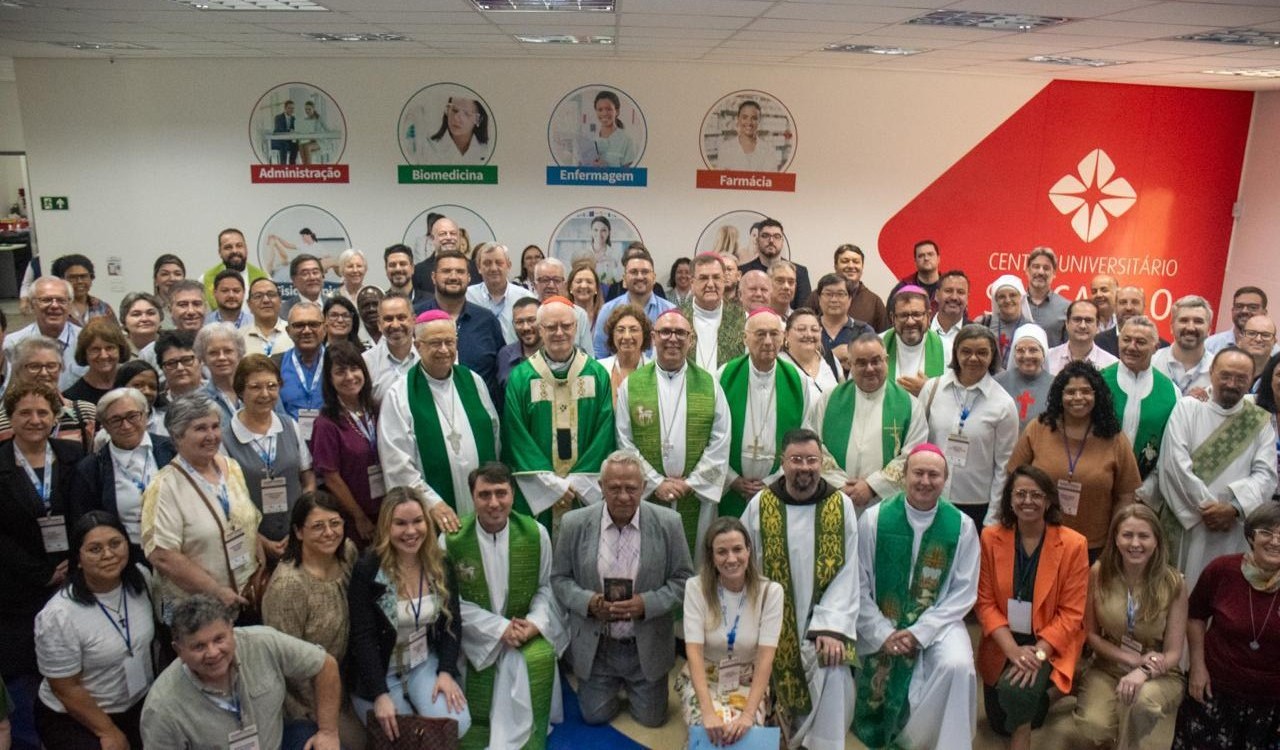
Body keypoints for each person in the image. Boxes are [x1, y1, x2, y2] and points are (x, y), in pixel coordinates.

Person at [550, 450, 694, 727]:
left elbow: (684, 579)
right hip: (598, 645)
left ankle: (634, 685)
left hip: (645, 646)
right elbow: (560, 579)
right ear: (601, 487)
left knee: (652, 720)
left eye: (631, 488)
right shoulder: (575, 523)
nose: (624, 496)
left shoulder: (668, 523)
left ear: (644, 487)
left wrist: (647, 604)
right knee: (594, 716)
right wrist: (590, 602)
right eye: (614, 488)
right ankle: (607, 683)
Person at [855, 444, 980, 750]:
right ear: (904, 476)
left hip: (939, 621)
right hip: (880, 622)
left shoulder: (962, 526)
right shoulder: (873, 519)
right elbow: (857, 585)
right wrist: (883, 632)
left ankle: (934, 742)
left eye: (934, 475)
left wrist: (919, 632)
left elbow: (964, 592)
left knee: (959, 666)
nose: (925, 481)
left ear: (945, 479)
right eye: (918, 473)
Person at [739, 430, 857, 750]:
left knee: (833, 669)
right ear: (782, 463)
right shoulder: (762, 504)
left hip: (823, 623)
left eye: (811, 460)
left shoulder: (840, 505)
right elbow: (744, 568)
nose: (804, 467)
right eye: (796, 460)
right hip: (771, 621)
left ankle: (821, 743)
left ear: (822, 463)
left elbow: (849, 573)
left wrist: (831, 627)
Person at [443, 463, 567, 749]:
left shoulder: (536, 533)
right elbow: (450, 601)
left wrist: (534, 623)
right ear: (472, 496)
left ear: (513, 494)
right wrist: (499, 629)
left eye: (501, 493)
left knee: (525, 662)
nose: (494, 503)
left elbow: (546, 587)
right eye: (484, 495)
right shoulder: (451, 541)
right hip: (476, 639)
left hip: (524, 630)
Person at [976, 467, 1089, 750]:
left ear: (1049, 500)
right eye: (1021, 494)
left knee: (1015, 695)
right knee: (998, 720)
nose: (1028, 501)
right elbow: (985, 602)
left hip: (1048, 640)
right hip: (1005, 638)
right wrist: (1013, 651)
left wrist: (1037, 654)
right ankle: (1056, 694)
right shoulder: (990, 537)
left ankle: (1022, 733)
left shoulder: (1074, 544)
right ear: (1010, 499)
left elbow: (1071, 613)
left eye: (1036, 495)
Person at [346, 487, 471, 741]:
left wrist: (446, 671)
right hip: (380, 671)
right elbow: (363, 637)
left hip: (422, 663)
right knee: (401, 739)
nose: (411, 531)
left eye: (417, 521)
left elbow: (452, 622)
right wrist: (379, 694)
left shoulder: (439, 563)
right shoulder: (368, 568)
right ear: (385, 527)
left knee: (455, 724)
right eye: (400, 523)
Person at [0, 381, 85, 750]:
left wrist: (74, 560)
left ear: (55, 417)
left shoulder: (73, 455)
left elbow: (87, 510)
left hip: (72, 579)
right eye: (25, 413)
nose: (35, 420)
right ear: (11, 417)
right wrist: (40, 572)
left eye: (42, 413)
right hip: (18, 589)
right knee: (25, 677)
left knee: (71, 668)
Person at [141, 594, 342, 750]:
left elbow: (325, 665)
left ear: (232, 630)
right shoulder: (161, 708)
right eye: (199, 647)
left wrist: (328, 731)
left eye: (219, 639)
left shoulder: (263, 642)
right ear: (178, 650)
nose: (213, 653)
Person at [1157, 346, 1278, 591]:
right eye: (1225, 375)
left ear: (1252, 379)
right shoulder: (1188, 407)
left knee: (1223, 594)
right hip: (1188, 523)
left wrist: (1232, 509)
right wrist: (1208, 509)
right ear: (1212, 372)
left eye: (1241, 378)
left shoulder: (1258, 420)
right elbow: (1173, 465)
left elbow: (1266, 474)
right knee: (1179, 591)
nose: (1232, 384)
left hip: (1232, 528)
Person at [32, 512, 154, 749]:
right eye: (95, 549)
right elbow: (65, 688)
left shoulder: (141, 580)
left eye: (115, 544)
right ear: (77, 558)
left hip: (136, 702)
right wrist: (108, 731)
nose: (108, 554)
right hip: (78, 717)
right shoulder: (59, 615)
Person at [615, 309, 730, 559]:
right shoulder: (632, 386)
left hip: (696, 497)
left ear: (691, 339)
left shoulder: (709, 384)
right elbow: (625, 442)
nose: (673, 338)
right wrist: (655, 482)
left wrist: (691, 483)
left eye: (680, 333)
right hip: (647, 498)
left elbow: (720, 441)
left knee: (695, 563)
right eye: (665, 332)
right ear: (654, 337)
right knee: (649, 563)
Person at [141, 392, 264, 622]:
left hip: (245, 596)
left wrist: (258, 564)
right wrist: (216, 591)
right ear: (177, 435)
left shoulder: (231, 467)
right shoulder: (164, 486)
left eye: (215, 427)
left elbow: (246, 520)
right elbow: (163, 555)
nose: (211, 436)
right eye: (200, 429)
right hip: (198, 611)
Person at [1074, 504, 1187, 750]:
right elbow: (1091, 635)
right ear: (1115, 539)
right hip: (1108, 665)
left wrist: (1143, 670)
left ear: (1157, 540)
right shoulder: (1099, 572)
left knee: (1139, 703)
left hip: (1159, 671)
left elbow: (1174, 653)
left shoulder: (1173, 582)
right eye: (1127, 535)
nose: (1135, 543)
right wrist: (1129, 659)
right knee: (1094, 726)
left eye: (1144, 536)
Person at [379, 311, 500, 537]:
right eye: (435, 343)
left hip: (482, 504)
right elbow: (397, 463)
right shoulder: (400, 393)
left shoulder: (473, 381)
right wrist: (432, 503)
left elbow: (495, 435)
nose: (444, 350)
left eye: (450, 342)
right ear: (418, 345)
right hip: (432, 512)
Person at [1173, 502, 1280, 749]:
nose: (1275, 541)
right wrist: (1197, 667)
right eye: (1266, 532)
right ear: (1251, 535)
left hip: (1270, 703)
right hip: (1214, 689)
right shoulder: (1222, 570)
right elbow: (1195, 616)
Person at [1008, 361, 1141, 559]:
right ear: (1059, 396)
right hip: (1039, 539)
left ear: (1097, 395)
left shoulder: (1114, 438)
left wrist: (1115, 543)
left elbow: (1126, 495)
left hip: (1094, 547)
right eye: (1070, 392)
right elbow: (1013, 476)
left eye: (1086, 391)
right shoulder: (1038, 428)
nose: (1078, 398)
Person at [503, 298, 615, 532]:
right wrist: (553, 488)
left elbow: (604, 433)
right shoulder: (522, 377)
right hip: (539, 495)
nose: (559, 333)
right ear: (539, 330)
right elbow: (517, 437)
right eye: (551, 327)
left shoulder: (596, 374)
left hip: (582, 493)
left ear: (576, 327)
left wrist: (573, 485)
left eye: (566, 325)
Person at [262, 492, 362, 748]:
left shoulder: (348, 553)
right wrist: (325, 710)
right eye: (318, 526)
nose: (329, 533)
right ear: (298, 532)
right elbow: (285, 663)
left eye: (335, 523)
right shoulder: (288, 586)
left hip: (348, 681)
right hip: (306, 698)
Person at [678, 517, 783, 745]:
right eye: (722, 552)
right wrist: (707, 711)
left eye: (737, 549)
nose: (731, 559)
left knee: (745, 733)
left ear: (749, 550)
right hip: (705, 676)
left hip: (749, 678)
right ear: (712, 557)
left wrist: (746, 716)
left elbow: (766, 658)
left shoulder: (770, 592)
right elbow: (694, 652)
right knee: (705, 731)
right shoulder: (696, 588)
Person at [813, 333, 927, 515]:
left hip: (884, 504)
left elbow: (913, 455)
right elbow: (814, 447)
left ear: (886, 360)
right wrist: (841, 485)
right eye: (861, 362)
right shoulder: (828, 400)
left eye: (876, 361)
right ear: (849, 364)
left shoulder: (910, 405)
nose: (870, 368)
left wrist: (872, 486)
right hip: (835, 499)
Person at [920, 324, 1020, 527]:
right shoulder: (933, 389)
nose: (973, 358)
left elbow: (1004, 466)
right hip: (930, 497)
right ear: (956, 353)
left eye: (982, 352)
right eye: (966, 351)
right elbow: (918, 443)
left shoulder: (1003, 404)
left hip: (976, 505)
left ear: (993, 355)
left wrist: (992, 517)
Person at [718, 309, 813, 518]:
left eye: (774, 334)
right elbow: (712, 434)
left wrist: (774, 481)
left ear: (784, 337)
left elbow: (805, 435)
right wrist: (732, 479)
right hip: (731, 489)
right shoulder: (725, 375)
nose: (768, 341)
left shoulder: (798, 380)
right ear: (745, 337)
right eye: (760, 334)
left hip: (779, 488)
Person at [222, 355, 315, 559]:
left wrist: (301, 527)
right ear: (240, 391)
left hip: (298, 535)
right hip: (252, 542)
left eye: (272, 386)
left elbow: (307, 479)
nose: (265, 394)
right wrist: (259, 541)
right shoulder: (225, 439)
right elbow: (225, 502)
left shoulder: (290, 425)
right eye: (255, 387)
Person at [70, 388, 176, 556]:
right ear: (104, 425)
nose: (126, 426)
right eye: (116, 420)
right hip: (130, 557)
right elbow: (87, 523)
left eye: (132, 416)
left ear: (145, 415)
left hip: (180, 547)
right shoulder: (91, 468)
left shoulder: (173, 450)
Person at [311, 341, 382, 547]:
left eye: (354, 368)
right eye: (340, 372)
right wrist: (359, 516)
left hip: (386, 508)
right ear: (330, 379)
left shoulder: (376, 409)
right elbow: (331, 477)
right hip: (355, 517)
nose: (350, 377)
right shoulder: (326, 423)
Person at [1100, 315, 1179, 499]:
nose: (1131, 347)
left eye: (1140, 342)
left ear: (1156, 347)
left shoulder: (1171, 392)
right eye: (1126, 340)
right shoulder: (1098, 382)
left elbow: (1169, 450)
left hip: (1145, 491)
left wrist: (1145, 490)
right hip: (1100, 485)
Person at [413, 250, 505, 403]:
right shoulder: (415, 318)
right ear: (433, 277)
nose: (454, 277)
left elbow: (499, 373)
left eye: (460, 272)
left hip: (480, 414)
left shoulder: (486, 320)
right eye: (446, 271)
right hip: (429, 411)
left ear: (468, 278)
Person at [0, 337, 97, 450]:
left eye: (51, 366)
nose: (44, 373)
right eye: (34, 366)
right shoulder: (3, 423)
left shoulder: (85, 413)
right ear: (18, 370)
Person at [5, 277, 85, 390]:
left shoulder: (85, 340)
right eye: (46, 300)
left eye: (61, 300)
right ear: (32, 304)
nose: (54, 306)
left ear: (70, 305)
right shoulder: (13, 343)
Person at [592, 252, 675, 358]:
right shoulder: (608, 310)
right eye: (634, 272)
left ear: (654, 278)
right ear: (624, 279)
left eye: (645, 272)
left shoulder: (670, 311)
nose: (640, 277)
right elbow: (600, 354)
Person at [678, 253, 746, 372]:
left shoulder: (742, 317)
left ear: (723, 280)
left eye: (716, 277)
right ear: (692, 283)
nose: (710, 284)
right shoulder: (678, 318)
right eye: (703, 278)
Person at [881, 285, 947, 396]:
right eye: (903, 315)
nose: (910, 322)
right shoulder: (876, 345)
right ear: (892, 318)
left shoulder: (947, 349)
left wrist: (928, 390)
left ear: (928, 316)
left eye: (916, 314)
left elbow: (957, 399)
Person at [465, 243, 536, 346]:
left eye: (499, 263)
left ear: (509, 265)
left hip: (516, 360)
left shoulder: (525, 297)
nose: (493, 268)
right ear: (479, 268)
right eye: (487, 263)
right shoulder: (467, 297)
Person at [274, 301, 326, 433]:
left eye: (313, 324)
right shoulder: (273, 365)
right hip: (289, 444)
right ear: (288, 331)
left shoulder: (340, 363)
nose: (307, 331)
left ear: (325, 328)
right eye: (299, 325)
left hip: (331, 444)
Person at [737, 219, 811, 310]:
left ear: (782, 241)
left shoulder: (800, 272)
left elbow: (804, 310)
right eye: (765, 236)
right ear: (757, 240)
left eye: (777, 236)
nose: (771, 240)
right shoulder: (744, 272)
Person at [1152, 294, 1215, 398]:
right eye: (1184, 320)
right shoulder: (1151, 363)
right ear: (1172, 326)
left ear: (1209, 329)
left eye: (1198, 321)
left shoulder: (1218, 371)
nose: (1190, 328)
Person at [811, 273, 873, 374]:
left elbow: (873, 364)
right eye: (828, 294)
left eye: (840, 294)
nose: (834, 300)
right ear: (819, 298)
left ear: (850, 299)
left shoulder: (864, 331)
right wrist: (833, 356)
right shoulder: (808, 329)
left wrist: (854, 359)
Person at [995, 324, 1053, 431]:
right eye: (1020, 350)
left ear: (1043, 353)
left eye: (1033, 350)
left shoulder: (1055, 385)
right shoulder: (997, 383)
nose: (1026, 356)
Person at [362, 293, 418, 402]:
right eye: (388, 319)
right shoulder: (366, 362)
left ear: (413, 320)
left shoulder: (428, 357)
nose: (396, 325)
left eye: (401, 318)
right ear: (379, 324)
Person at [531, 258, 593, 352]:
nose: (551, 285)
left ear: (565, 285)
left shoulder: (579, 314)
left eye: (556, 280)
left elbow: (588, 355)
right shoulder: (526, 314)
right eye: (545, 280)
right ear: (535, 285)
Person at [62, 317, 128, 406]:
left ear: (120, 349)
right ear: (84, 353)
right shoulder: (71, 398)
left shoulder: (132, 385)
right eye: (95, 349)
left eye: (110, 348)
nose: (104, 356)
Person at [200, 228, 268, 310]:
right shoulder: (206, 279)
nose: (235, 251)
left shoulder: (264, 278)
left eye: (239, 246)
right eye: (228, 247)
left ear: (246, 249)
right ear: (220, 252)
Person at [412, 216, 480, 297]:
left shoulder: (476, 269)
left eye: (453, 233)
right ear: (433, 239)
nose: (449, 237)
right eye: (443, 234)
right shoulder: (419, 271)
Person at [1046, 299, 1118, 374]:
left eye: (1088, 320)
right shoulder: (1048, 359)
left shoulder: (1111, 365)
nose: (1082, 326)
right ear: (1067, 323)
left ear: (1097, 325)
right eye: (1077, 319)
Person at [782, 307, 843, 393]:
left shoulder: (830, 361)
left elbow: (842, 397)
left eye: (814, 330)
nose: (809, 334)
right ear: (786, 334)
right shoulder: (778, 365)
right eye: (801, 329)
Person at [191, 322, 244, 423]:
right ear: (203, 358)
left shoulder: (261, 389)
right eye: (213, 353)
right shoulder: (197, 401)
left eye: (228, 351)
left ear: (239, 353)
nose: (221, 357)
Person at [596, 304, 650, 401]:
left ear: (644, 334)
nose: (627, 336)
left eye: (633, 330)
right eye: (620, 330)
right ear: (612, 335)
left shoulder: (654, 369)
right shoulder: (599, 369)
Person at [977, 275, 1031, 371]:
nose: (1007, 300)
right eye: (1002, 296)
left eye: (1012, 295)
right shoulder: (983, 323)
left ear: (1021, 297)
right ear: (996, 300)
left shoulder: (1031, 329)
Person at [1096, 286, 1169, 357]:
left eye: (1135, 302)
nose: (1129, 308)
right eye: (1123, 302)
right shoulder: (1098, 342)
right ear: (1115, 307)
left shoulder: (1162, 348)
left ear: (1144, 307)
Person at [832, 244, 889, 332]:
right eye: (845, 261)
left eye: (856, 261)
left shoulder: (874, 302)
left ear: (862, 267)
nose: (851, 266)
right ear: (835, 266)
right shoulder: (819, 297)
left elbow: (884, 338)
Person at [1023, 247, 1070, 347]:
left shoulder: (1066, 308)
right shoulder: (1015, 304)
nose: (1040, 272)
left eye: (1046, 268)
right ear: (1027, 271)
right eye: (1036, 266)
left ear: (1054, 274)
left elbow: (1068, 348)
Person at [715, 99, 778, 171]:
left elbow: (771, 180)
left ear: (759, 121)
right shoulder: (725, 149)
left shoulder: (769, 151)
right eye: (744, 117)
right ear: (738, 119)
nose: (749, 122)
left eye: (754, 118)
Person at [1205, 285, 1272, 354]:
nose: (1244, 311)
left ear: (1264, 313)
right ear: (1232, 310)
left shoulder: (1275, 353)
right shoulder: (1210, 345)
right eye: (1239, 306)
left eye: (1252, 307)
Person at [52, 255, 114, 328]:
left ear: (91, 278)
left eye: (83, 276)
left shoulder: (102, 308)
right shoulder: (55, 308)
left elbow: (115, 336)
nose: (79, 281)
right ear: (62, 280)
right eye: (73, 277)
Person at [423, 95, 490, 163]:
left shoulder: (487, 150)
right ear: (447, 110)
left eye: (466, 113)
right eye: (454, 110)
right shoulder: (429, 148)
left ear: (478, 119)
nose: (456, 118)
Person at [243, 278, 294, 358]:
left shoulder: (295, 332)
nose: (266, 300)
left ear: (280, 301)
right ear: (249, 304)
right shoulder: (239, 337)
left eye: (271, 295)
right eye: (258, 296)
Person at [585, 90, 637, 168]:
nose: (604, 113)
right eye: (600, 110)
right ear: (596, 112)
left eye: (609, 109)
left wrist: (607, 169)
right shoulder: (590, 140)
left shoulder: (627, 140)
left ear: (617, 111)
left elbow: (630, 176)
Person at [888, 240, 942, 314]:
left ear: (938, 258)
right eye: (921, 256)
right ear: (915, 261)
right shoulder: (902, 288)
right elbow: (890, 318)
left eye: (930, 254)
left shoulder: (948, 287)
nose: (926, 258)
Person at [929, 270, 972, 364]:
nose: (954, 297)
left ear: (967, 298)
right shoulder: (921, 329)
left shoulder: (976, 334)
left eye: (960, 292)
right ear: (936, 295)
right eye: (948, 291)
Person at [113, 361, 165, 437]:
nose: (147, 391)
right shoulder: (111, 427)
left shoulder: (168, 423)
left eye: (152, 387)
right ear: (121, 388)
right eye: (138, 385)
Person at [498, 297, 540, 391]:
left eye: (531, 320)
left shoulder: (556, 353)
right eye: (519, 322)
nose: (526, 327)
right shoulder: (505, 355)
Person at [117, 292, 164, 358]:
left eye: (151, 313)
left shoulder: (173, 345)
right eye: (136, 314)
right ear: (124, 321)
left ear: (161, 318)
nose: (144, 319)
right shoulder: (116, 349)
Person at [383, 243, 429, 309]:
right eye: (392, 265)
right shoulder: (380, 302)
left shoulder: (429, 302)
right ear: (386, 270)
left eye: (403, 264)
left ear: (412, 268)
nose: (398, 269)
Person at [1239, 314, 1278, 391]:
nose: (1258, 339)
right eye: (1251, 333)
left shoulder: (1277, 374)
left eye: (1265, 335)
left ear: (1274, 342)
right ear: (1241, 338)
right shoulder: (1227, 367)